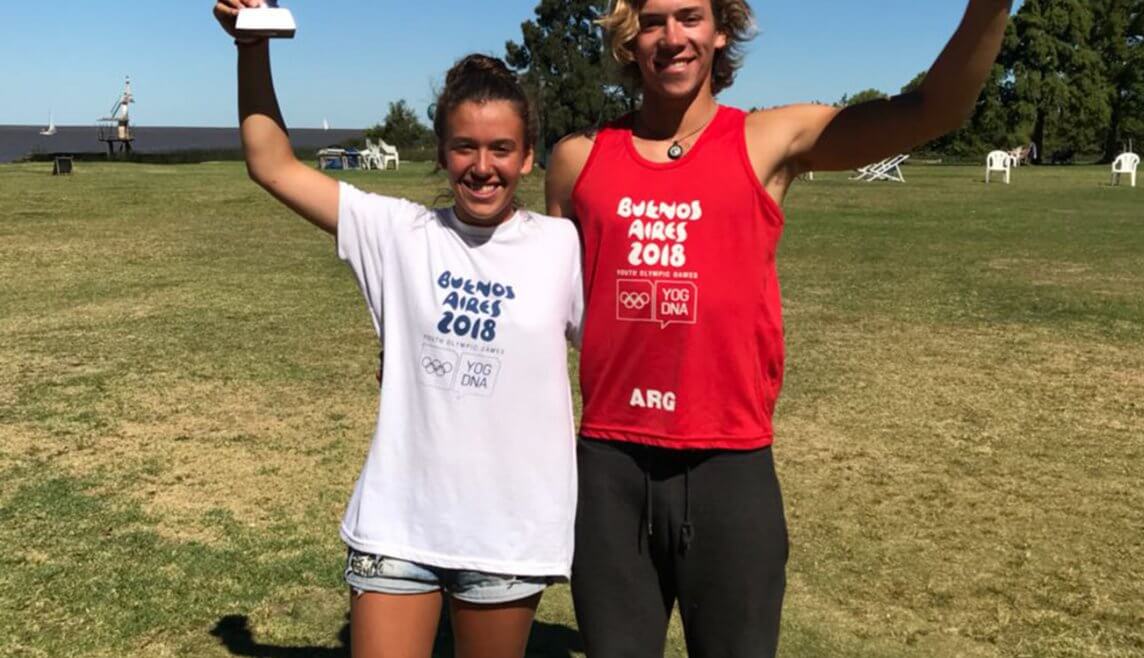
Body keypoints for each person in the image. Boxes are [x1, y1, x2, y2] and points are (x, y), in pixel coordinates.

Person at [545, 0, 1012, 656]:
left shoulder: (766, 140)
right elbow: (541, 311)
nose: (672, 37)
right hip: (610, 467)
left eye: (690, 17)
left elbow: (933, 110)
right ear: (629, 37)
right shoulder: (578, 160)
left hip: (729, 467)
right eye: (652, 21)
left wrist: (991, 8)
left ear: (721, 30)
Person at [213, 3, 584, 657]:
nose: (482, 166)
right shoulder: (398, 233)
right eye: (465, 147)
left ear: (528, 157)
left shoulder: (562, 246)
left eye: (501, 148)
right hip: (398, 527)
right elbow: (272, 165)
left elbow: (626, 351)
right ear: (442, 152)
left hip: (507, 533)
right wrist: (251, 50)